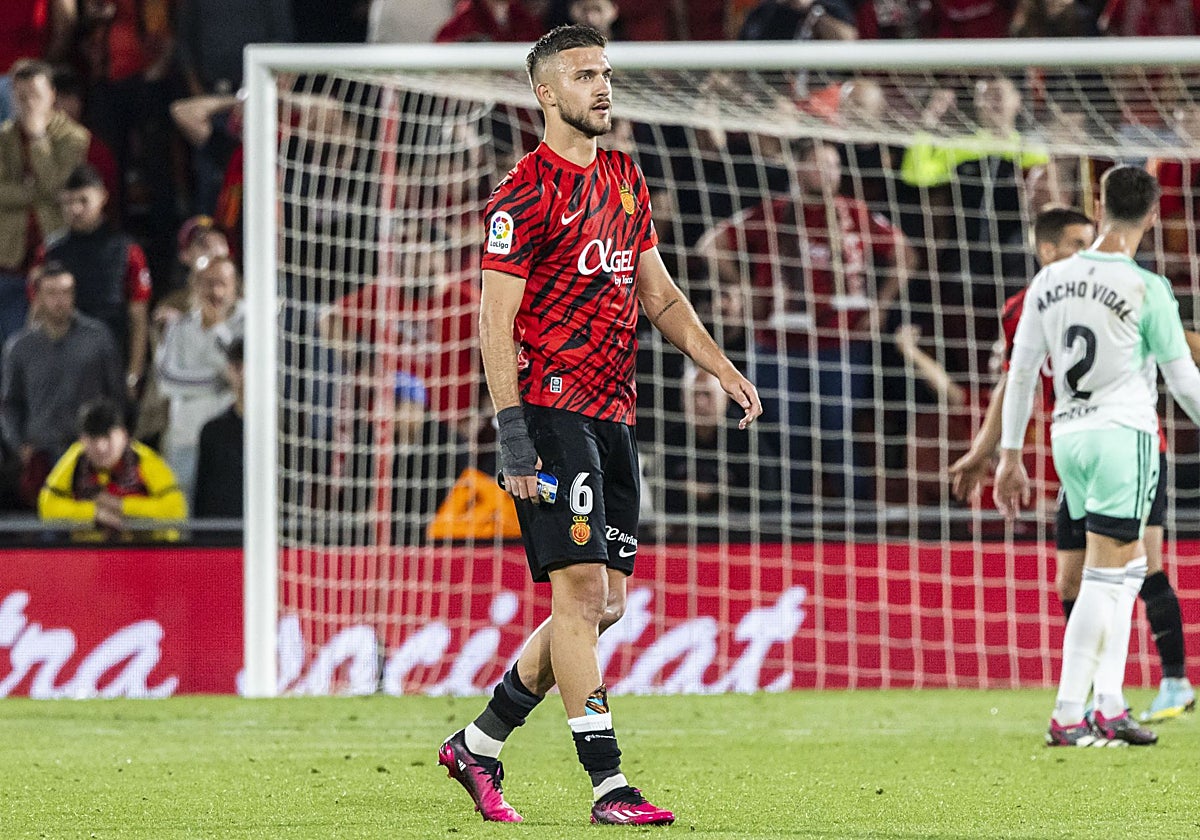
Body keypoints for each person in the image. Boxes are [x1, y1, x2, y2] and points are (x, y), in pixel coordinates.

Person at [438, 24, 761, 826]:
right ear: (546, 93)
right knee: (580, 596)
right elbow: (494, 320)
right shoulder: (522, 193)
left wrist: (719, 368)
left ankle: (478, 745)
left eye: (606, 72)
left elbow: (659, 295)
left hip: (615, 413)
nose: (603, 86)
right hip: (551, 414)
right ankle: (609, 785)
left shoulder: (624, 178)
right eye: (584, 75)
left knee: (603, 605)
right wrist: (513, 434)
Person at [952, 206, 1196, 723]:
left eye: (1091, 240)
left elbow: (1175, 349)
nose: (1088, 252)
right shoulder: (1030, 303)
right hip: (1079, 451)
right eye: (1077, 243)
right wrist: (989, 451)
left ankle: (1170, 683)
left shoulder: (1124, 288)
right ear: (1047, 250)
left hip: (1134, 447)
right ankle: (1091, 697)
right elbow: (1014, 380)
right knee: (1072, 582)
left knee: (1139, 568)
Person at [699, 137, 911, 503]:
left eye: (835, 165)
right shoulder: (772, 213)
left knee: (838, 434)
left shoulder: (855, 214)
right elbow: (710, 244)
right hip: (777, 346)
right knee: (786, 438)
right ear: (798, 168)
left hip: (839, 345)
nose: (830, 173)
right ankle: (790, 520)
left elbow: (906, 254)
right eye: (820, 164)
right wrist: (743, 287)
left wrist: (882, 304)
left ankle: (856, 518)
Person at [0, 262, 124, 508]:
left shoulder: (97, 339)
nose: (60, 300)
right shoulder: (20, 347)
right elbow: (10, 403)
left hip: (89, 452)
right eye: (52, 293)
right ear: (37, 297)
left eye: (66, 292)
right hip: (41, 453)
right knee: (45, 520)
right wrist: (20, 445)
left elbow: (116, 395)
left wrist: (111, 442)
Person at [0, 59, 90, 348]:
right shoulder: (3, 138)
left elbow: (59, 187)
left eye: (35, 96)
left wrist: (39, 138)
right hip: (8, 260)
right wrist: (39, 192)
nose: (28, 104)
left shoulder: (73, 137)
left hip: (53, 264)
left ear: (52, 95)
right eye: (21, 96)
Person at [45, 163, 153, 401]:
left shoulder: (127, 250)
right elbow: (38, 314)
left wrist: (134, 374)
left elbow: (139, 318)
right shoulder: (50, 253)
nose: (75, 209)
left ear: (102, 197)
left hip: (111, 362)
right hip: (63, 365)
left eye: (83, 200)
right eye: (68, 202)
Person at [155, 254, 244, 501]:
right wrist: (218, 382)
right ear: (194, 285)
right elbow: (166, 379)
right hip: (186, 439)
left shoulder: (246, 324)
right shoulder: (178, 326)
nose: (215, 291)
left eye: (221, 283)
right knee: (183, 511)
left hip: (229, 440)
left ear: (235, 286)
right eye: (207, 283)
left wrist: (217, 328)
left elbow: (238, 373)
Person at [38, 396, 185, 533]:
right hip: (90, 550)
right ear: (82, 439)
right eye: (93, 439)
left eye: (108, 437)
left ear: (123, 435)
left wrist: (121, 506)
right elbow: (47, 506)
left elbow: (176, 510)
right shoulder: (76, 457)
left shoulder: (144, 459)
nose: (101, 447)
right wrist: (95, 513)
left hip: (142, 549)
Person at [193, 336, 243, 518]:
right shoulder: (212, 431)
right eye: (237, 367)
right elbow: (203, 497)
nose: (243, 375)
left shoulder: (284, 430)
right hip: (222, 531)